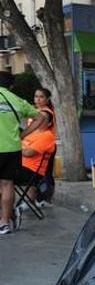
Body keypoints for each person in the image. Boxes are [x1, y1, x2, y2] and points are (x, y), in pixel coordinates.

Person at [0, 72, 46, 235]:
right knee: (7, 184)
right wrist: (24, 133)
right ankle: (4, 223)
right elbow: (40, 117)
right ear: (11, 86)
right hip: (12, 148)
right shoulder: (16, 100)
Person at [14, 108, 56, 228]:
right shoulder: (32, 133)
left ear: (48, 124)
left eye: (42, 119)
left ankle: (9, 212)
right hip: (20, 166)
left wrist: (16, 147)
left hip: (31, 172)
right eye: (38, 118)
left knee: (4, 177)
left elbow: (28, 152)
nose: (38, 120)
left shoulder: (48, 136)